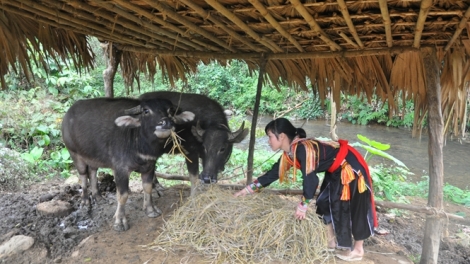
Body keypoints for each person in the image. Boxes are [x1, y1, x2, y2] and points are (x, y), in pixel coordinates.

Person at [234, 118, 378, 262]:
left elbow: (311, 179)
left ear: (282, 136)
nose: (268, 141)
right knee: (323, 202)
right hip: (335, 170)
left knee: (354, 206)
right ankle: (331, 242)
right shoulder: (289, 154)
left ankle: (358, 250)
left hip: (350, 167)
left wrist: (303, 205)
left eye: (270, 136)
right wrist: (246, 191)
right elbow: (272, 175)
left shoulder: (302, 149)